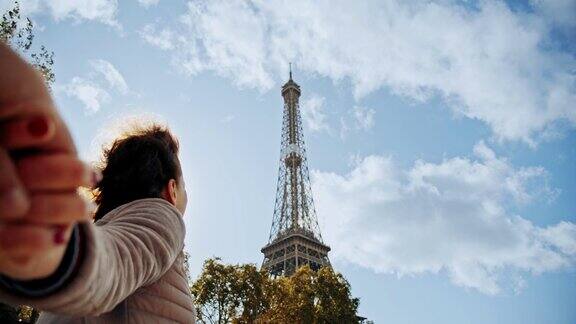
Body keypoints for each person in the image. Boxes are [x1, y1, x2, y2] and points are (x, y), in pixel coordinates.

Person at [0, 44, 196, 322]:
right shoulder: (163, 215)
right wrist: (49, 247)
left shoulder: (98, 231)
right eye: (185, 187)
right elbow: (114, 264)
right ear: (172, 190)